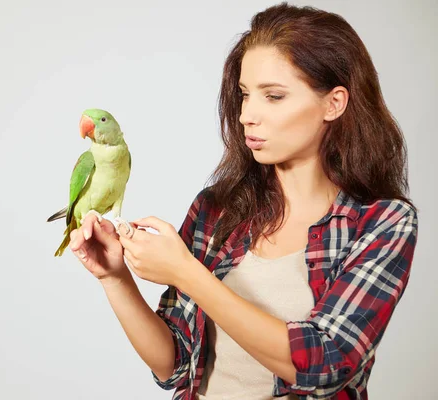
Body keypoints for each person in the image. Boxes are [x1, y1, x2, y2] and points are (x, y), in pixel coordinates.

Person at [68, 2, 418, 399]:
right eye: (244, 95)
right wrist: (116, 278)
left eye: (273, 96)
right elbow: (174, 365)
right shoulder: (216, 210)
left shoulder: (383, 222)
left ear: (333, 103)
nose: (246, 115)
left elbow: (326, 363)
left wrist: (187, 273)